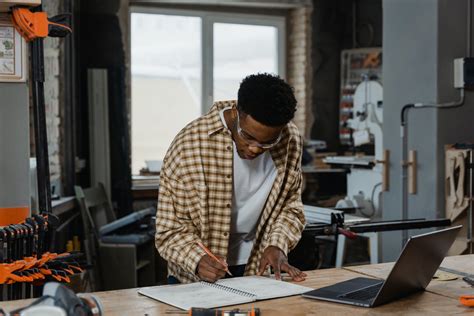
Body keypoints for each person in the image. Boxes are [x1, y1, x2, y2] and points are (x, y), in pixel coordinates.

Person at [156, 73, 307, 284]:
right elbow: (169, 230)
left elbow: (291, 208)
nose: (255, 149)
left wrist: (277, 244)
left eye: (267, 143)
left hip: (256, 270)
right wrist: (197, 261)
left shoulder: (290, 140)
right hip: (195, 276)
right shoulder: (188, 145)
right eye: (249, 137)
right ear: (236, 113)